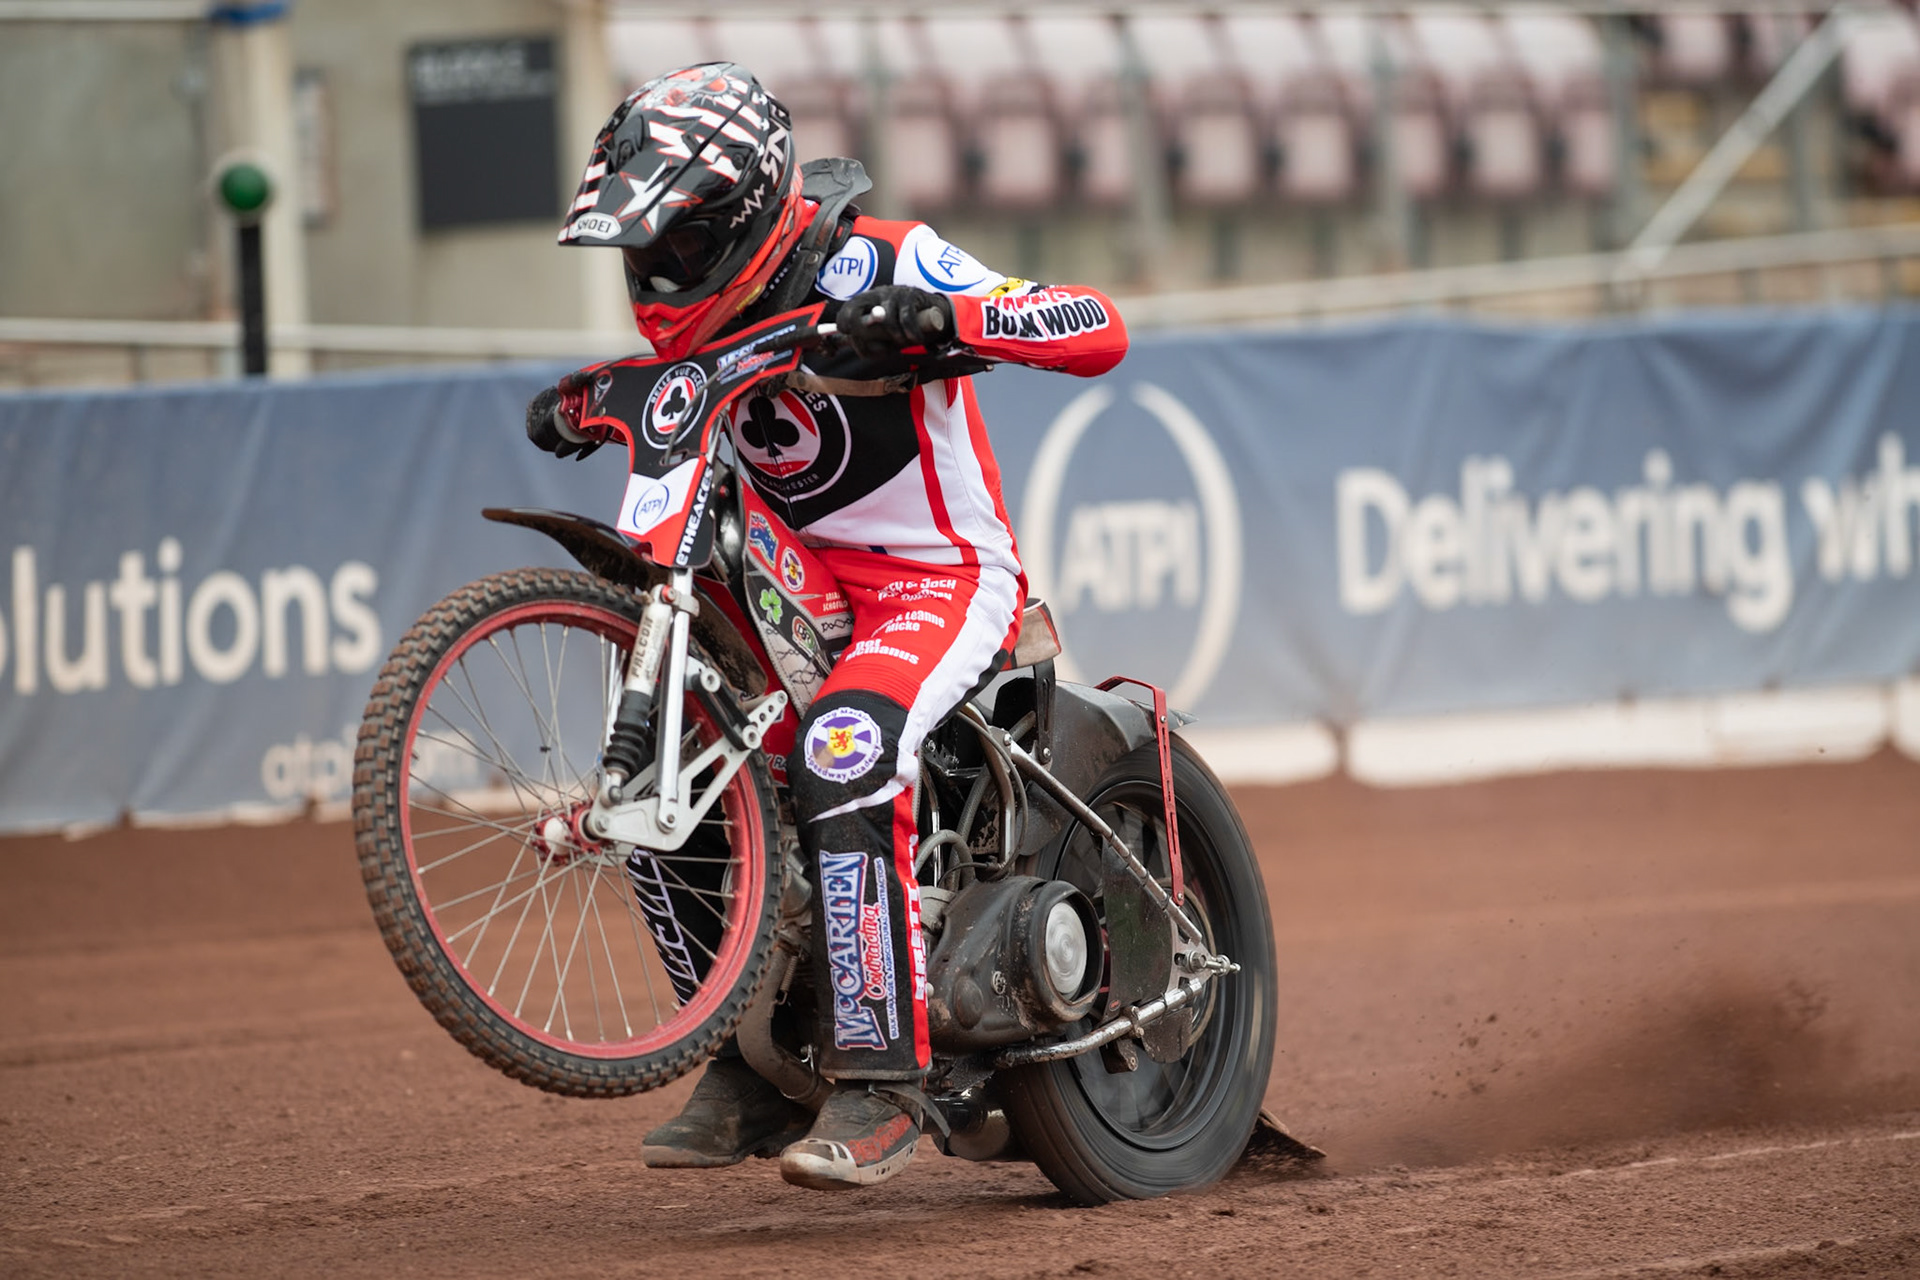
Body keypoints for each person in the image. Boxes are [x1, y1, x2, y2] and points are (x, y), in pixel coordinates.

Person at [526, 62, 1128, 1191]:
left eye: (678, 242)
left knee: (845, 745)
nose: (656, 273)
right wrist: (579, 401)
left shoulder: (882, 257)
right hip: (805, 588)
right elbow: (663, 396)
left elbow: (1097, 326)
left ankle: (883, 1080)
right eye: (639, 250)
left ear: (749, 211)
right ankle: (751, 1050)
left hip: (936, 579)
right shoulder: (690, 334)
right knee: (681, 762)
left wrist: (942, 315)